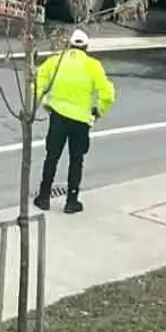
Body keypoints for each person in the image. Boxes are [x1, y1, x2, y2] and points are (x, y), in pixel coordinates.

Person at [33, 27, 114, 216]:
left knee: (51, 156)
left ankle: (44, 196)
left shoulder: (56, 61)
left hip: (58, 117)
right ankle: (71, 200)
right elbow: (108, 94)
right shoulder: (94, 66)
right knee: (76, 160)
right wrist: (98, 111)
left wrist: (43, 103)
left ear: (68, 45)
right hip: (80, 121)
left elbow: (37, 80)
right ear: (86, 47)